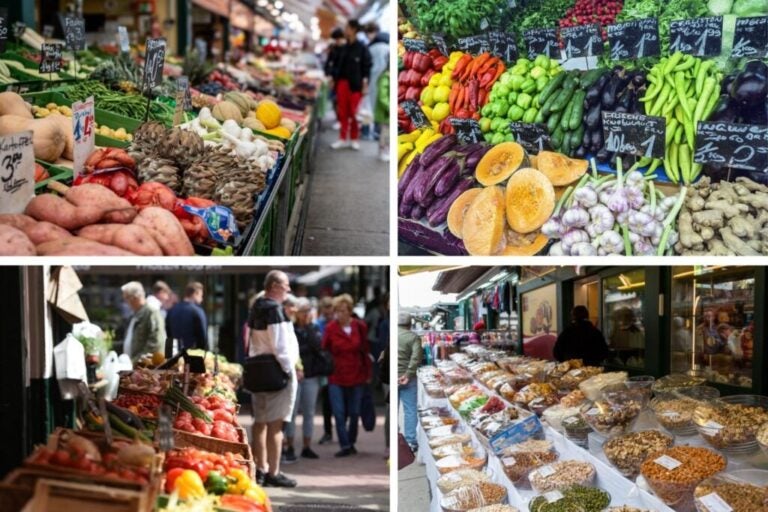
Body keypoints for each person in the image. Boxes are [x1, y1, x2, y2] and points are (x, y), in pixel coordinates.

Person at [247, 271, 300, 488]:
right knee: (275, 426)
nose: (288, 289)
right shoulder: (274, 310)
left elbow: (250, 341)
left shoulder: (256, 307)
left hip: (258, 371)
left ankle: (259, 469)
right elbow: (280, 346)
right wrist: (288, 369)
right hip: (276, 372)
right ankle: (273, 472)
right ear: (275, 285)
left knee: (260, 423)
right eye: (286, 285)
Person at [321, 293, 371, 457]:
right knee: (339, 412)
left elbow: (365, 350)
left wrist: (368, 373)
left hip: (357, 374)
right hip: (336, 375)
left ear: (350, 311)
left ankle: (351, 441)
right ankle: (345, 445)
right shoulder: (330, 328)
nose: (340, 314)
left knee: (355, 412)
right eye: (337, 311)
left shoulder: (360, 326)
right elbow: (324, 349)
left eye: (343, 311)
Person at [283, 298, 323, 462]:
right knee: (292, 412)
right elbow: (292, 349)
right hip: (295, 375)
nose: (306, 314)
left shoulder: (313, 328)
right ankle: (290, 446)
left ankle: (307, 446)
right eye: (304, 311)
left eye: (308, 311)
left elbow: (317, 346)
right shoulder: (290, 328)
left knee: (309, 412)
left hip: (311, 375)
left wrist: (309, 327)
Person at [330, 19, 372, 150]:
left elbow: (367, 67)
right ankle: (342, 138)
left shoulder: (362, 48)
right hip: (342, 83)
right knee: (342, 112)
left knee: (354, 113)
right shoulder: (343, 48)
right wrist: (333, 79)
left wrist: (365, 83)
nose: (345, 30)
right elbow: (335, 65)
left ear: (353, 29)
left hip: (356, 85)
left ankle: (354, 138)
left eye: (347, 27)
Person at [121, 281, 166, 362]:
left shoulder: (151, 313)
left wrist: (136, 361)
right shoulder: (135, 314)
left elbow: (155, 343)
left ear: (135, 297)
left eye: (126, 298)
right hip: (136, 366)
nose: (126, 303)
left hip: (146, 368)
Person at [398, 312, 422, 452]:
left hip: (392, 377)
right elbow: (416, 357)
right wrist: (408, 374)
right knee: (410, 410)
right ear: (409, 324)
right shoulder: (413, 337)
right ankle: (410, 442)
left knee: (392, 410)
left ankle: (394, 441)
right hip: (408, 378)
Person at [165, 282, 208, 355]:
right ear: (195, 293)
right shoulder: (197, 311)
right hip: (193, 355)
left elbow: (168, 336)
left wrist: (169, 356)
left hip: (175, 355)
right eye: (201, 296)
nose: (202, 299)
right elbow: (203, 338)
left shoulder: (172, 310)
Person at [315, 296, 335, 444]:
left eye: (330, 312)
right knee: (327, 401)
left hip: (337, 366)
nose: (328, 315)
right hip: (324, 367)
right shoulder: (317, 325)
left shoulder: (337, 323)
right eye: (326, 312)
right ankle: (328, 431)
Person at [365, 22, 389, 141]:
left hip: (372, 80)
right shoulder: (387, 47)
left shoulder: (370, 48)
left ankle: (370, 131)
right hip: (383, 78)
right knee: (380, 107)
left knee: (370, 105)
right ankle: (376, 132)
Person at [324, 28, 345, 131]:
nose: (337, 41)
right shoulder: (333, 49)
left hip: (342, 79)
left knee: (340, 101)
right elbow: (328, 62)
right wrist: (328, 74)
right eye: (335, 40)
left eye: (338, 39)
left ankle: (341, 120)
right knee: (334, 100)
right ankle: (338, 119)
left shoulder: (346, 49)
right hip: (334, 79)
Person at [374, 69, 390, 161]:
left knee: (386, 133)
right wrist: (389, 106)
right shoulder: (386, 77)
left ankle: (385, 150)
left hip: (386, 111)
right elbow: (382, 96)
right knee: (385, 133)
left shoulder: (386, 76)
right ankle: (382, 151)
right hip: (385, 112)